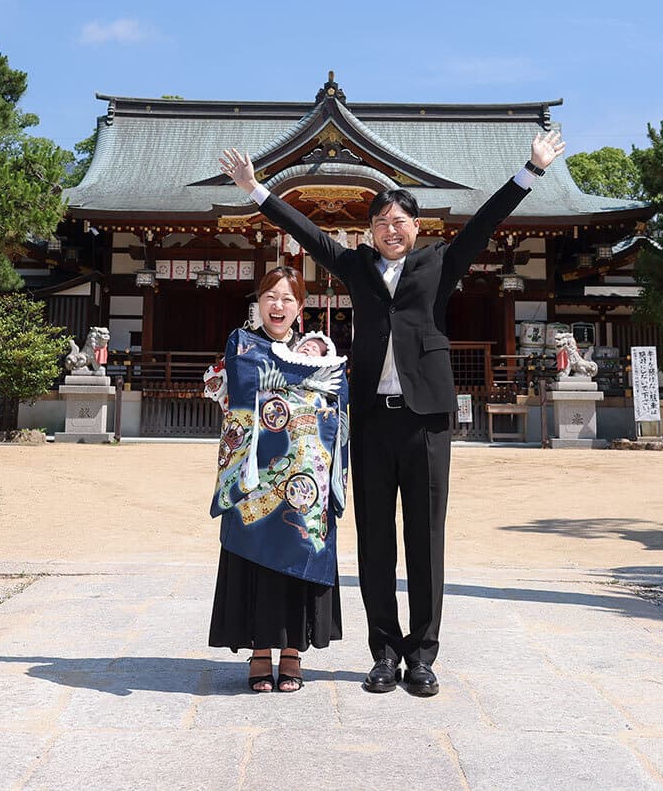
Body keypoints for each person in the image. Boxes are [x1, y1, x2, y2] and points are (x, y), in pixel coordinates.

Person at [218, 128, 565, 697]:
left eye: (400, 220)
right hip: (373, 422)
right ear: (371, 230)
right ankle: (383, 652)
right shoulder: (356, 267)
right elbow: (306, 233)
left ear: (416, 227)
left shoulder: (438, 265)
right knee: (376, 541)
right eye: (381, 221)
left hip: (426, 422)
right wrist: (258, 191)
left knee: (426, 538)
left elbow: (484, 224)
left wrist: (531, 170)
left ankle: (422, 655)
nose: (390, 228)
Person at [203, 266, 348, 692]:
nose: (278, 306)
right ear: (258, 304)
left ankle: (291, 653)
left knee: (297, 558)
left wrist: (312, 380)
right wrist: (304, 380)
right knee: (254, 562)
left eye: (287, 298)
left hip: (303, 478)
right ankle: (259, 652)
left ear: (300, 308)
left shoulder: (319, 352)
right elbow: (248, 386)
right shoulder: (242, 344)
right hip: (255, 475)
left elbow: (335, 397)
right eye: (270, 297)